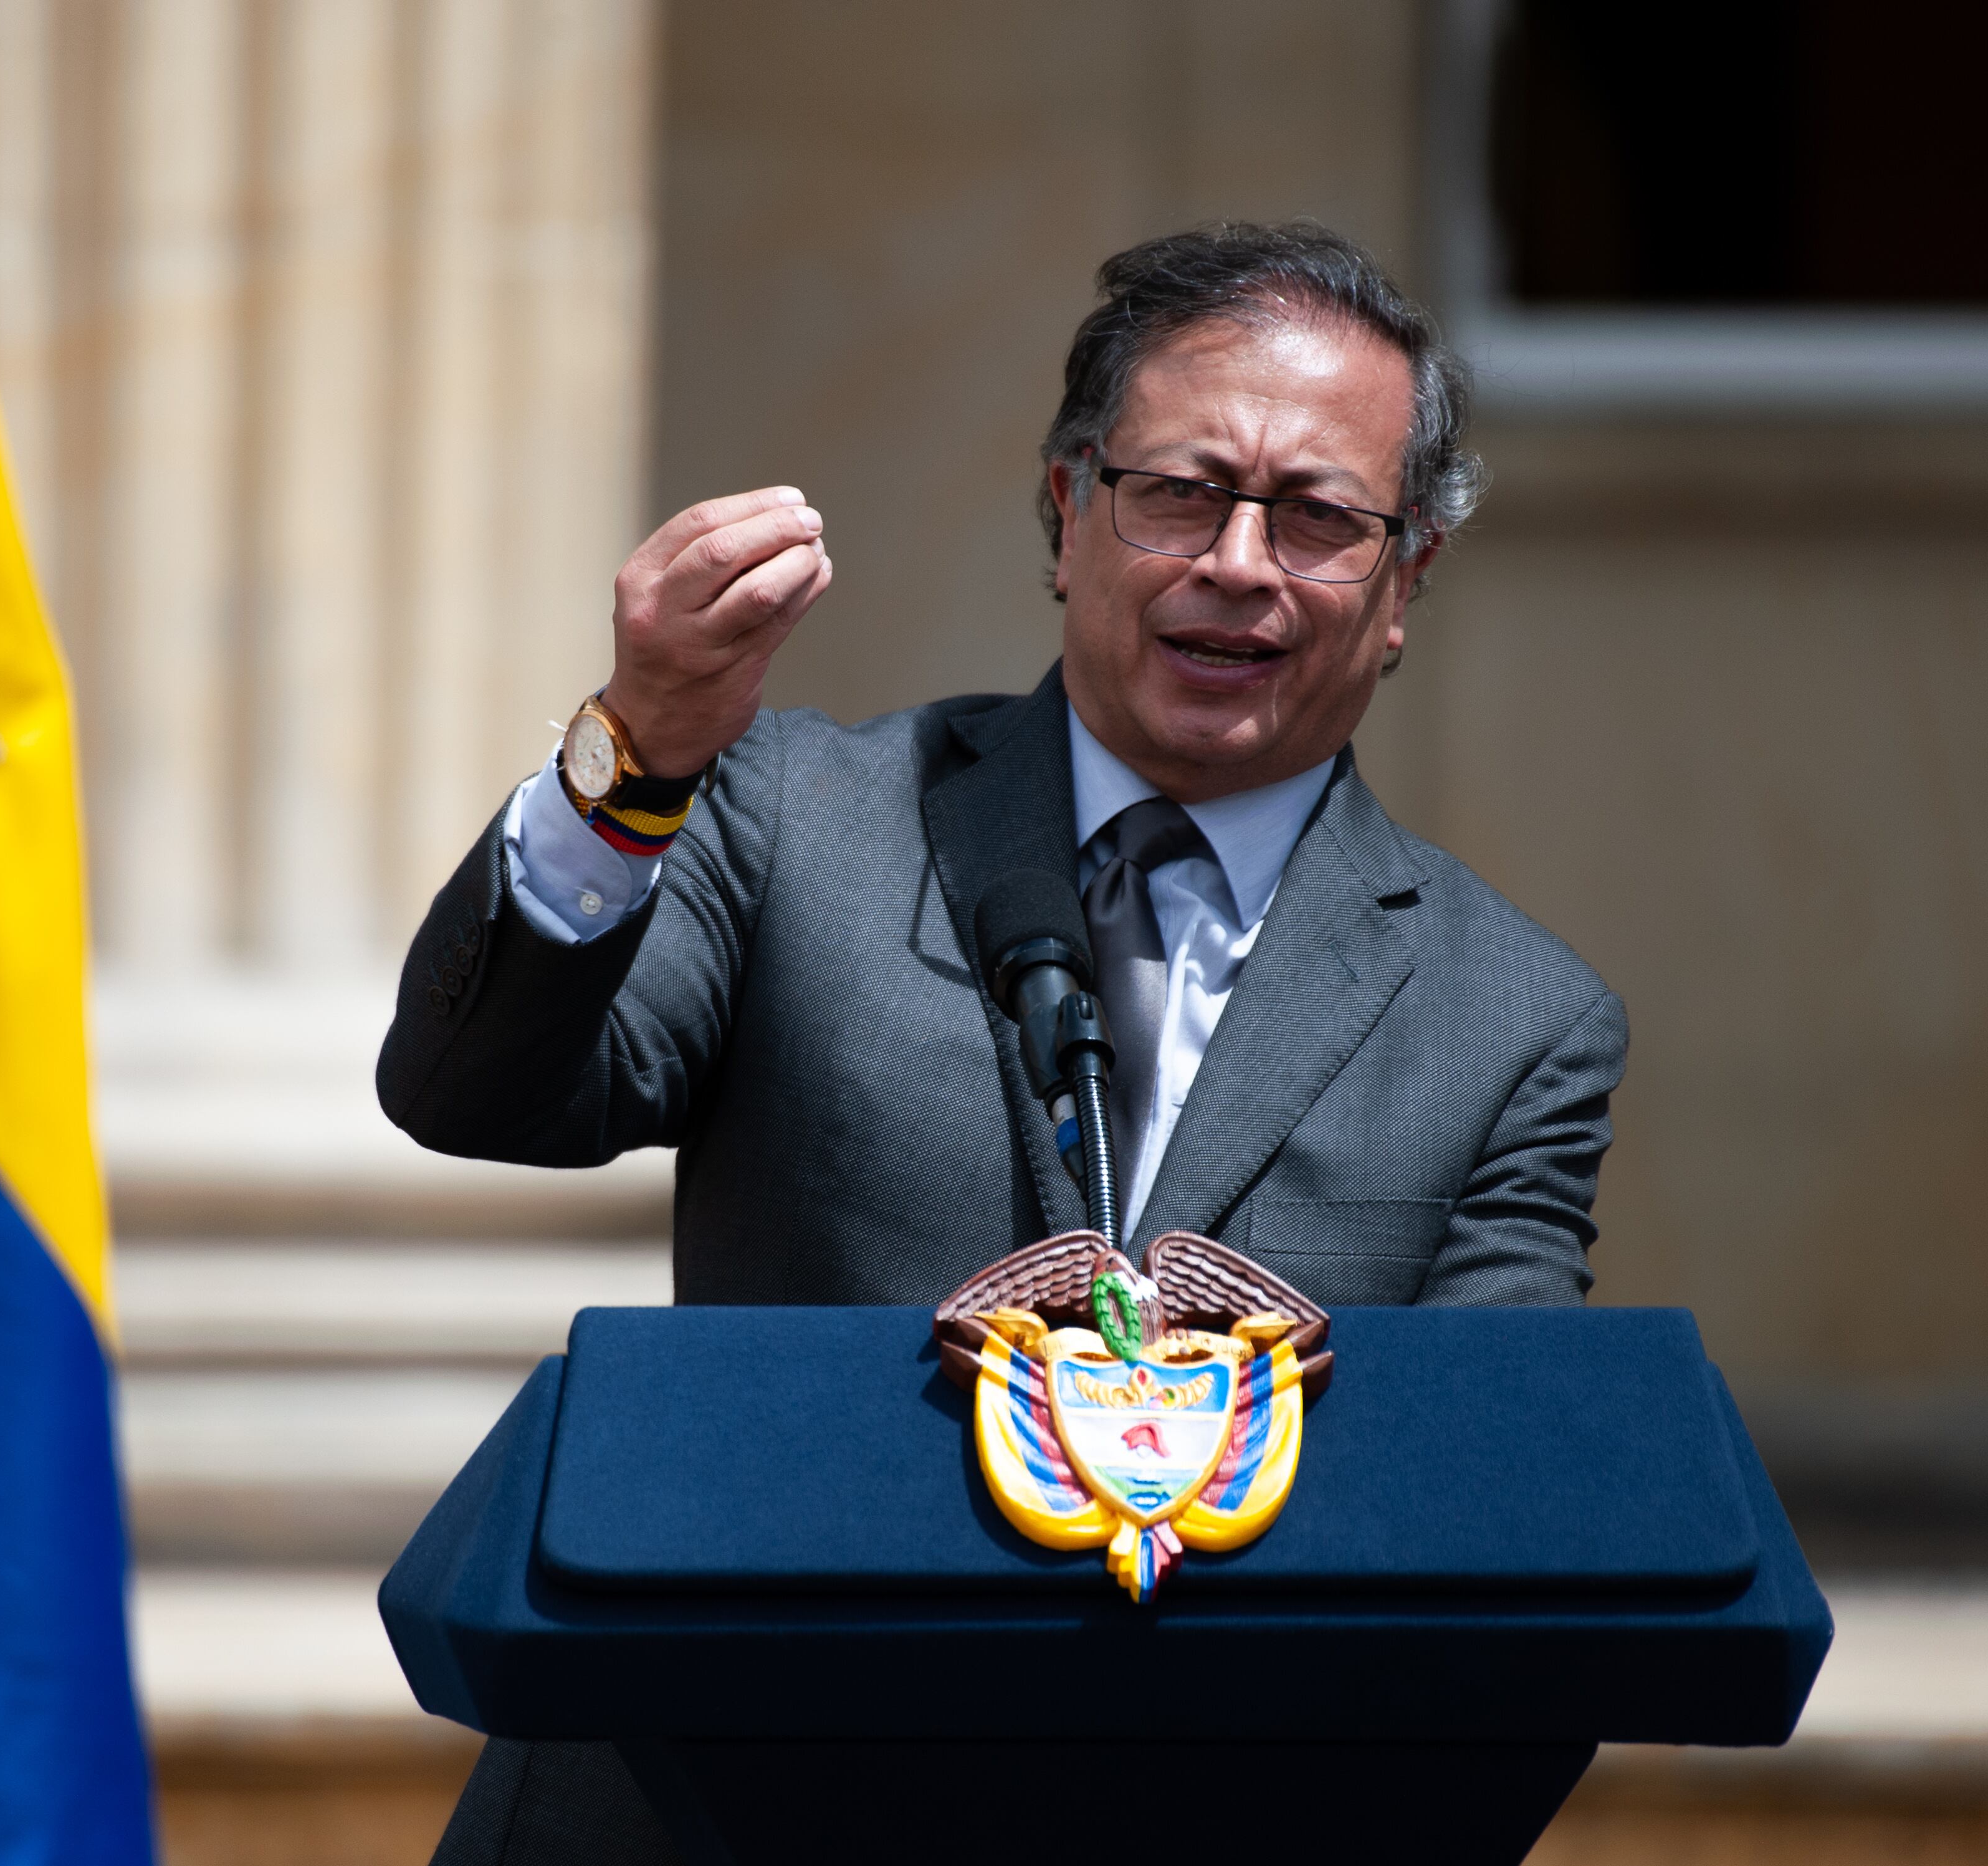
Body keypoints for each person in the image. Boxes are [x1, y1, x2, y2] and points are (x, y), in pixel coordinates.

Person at [380, 221, 1627, 1862]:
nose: (1237, 560)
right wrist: (636, 759)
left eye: (1318, 516)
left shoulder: (1514, 1021)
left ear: (1403, 586)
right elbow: (479, 1091)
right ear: (1065, 514)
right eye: (1178, 492)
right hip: (690, 1807)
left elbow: (1486, 1532)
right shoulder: (797, 820)